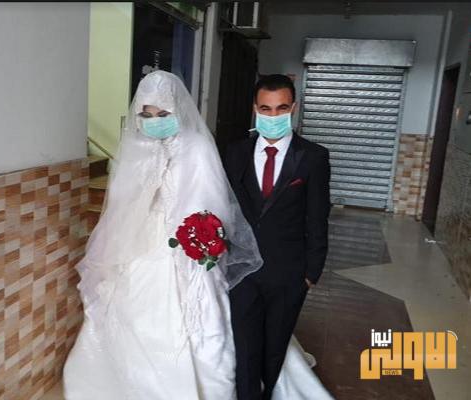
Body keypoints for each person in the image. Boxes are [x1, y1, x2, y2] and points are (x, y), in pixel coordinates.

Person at [63, 71, 333, 400]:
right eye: (147, 114)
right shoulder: (139, 149)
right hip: (144, 244)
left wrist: (310, 272)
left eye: (163, 113)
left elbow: (218, 203)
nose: (155, 120)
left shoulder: (200, 148)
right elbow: (121, 204)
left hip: (193, 246)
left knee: (240, 333)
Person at [223, 74, 332, 400]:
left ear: (293, 108)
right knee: (245, 347)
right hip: (242, 269)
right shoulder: (235, 152)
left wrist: (311, 272)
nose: (273, 116)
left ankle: (268, 392)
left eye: (281, 108)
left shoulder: (313, 156)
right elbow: (224, 206)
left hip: (289, 271)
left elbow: (317, 216)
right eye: (266, 109)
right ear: (255, 109)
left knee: (274, 348)